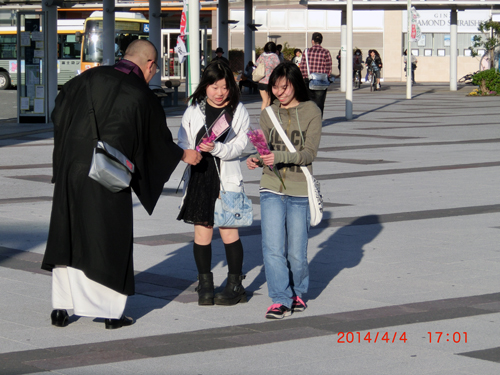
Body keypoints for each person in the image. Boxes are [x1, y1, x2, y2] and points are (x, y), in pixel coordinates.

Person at [42, 40, 202, 329]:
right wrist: (183, 154)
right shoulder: (141, 95)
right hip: (108, 173)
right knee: (109, 239)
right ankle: (112, 313)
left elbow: (59, 114)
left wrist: (69, 152)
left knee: (68, 234)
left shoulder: (87, 78)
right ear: (150, 65)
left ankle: (61, 308)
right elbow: (157, 144)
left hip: (72, 168)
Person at [246, 62, 322, 319]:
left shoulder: (311, 110)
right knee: (272, 247)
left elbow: (309, 153)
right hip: (271, 186)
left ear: (295, 83)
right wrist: (256, 158)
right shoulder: (268, 114)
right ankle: (280, 298)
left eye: (285, 87)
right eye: (275, 87)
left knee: (296, 253)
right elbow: (265, 149)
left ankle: (298, 291)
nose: (280, 92)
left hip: (300, 188)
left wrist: (276, 155)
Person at [177, 61, 250, 306]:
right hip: (200, 176)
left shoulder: (238, 111)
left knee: (229, 231)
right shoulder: (193, 110)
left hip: (226, 177)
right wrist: (189, 151)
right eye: (214, 86)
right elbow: (182, 140)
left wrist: (217, 147)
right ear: (205, 86)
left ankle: (234, 284)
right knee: (202, 232)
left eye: (224, 87)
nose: (219, 92)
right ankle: (205, 286)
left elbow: (241, 146)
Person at [300, 32, 333, 118]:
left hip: (308, 80)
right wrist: (328, 77)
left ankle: (309, 120)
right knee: (320, 103)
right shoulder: (326, 52)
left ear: (312, 41)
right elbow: (328, 67)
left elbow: (302, 66)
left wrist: (303, 78)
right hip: (321, 81)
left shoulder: (306, 51)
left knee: (309, 102)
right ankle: (318, 121)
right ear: (321, 41)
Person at [255, 41, 281, 111]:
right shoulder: (274, 56)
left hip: (261, 81)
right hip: (270, 81)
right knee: (270, 101)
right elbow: (278, 67)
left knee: (264, 101)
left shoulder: (262, 55)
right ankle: (268, 117)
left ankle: (263, 116)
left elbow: (256, 65)